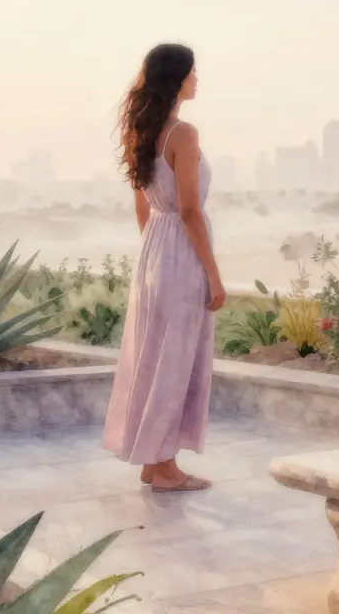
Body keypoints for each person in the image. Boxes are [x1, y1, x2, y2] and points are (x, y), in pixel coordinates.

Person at [101, 43, 226, 493]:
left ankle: (153, 461)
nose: (198, 80)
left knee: (152, 356)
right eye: (193, 72)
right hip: (180, 251)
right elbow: (190, 211)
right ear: (177, 79)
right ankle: (166, 467)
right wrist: (212, 274)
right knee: (175, 360)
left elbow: (142, 207)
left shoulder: (142, 131)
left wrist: (157, 255)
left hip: (154, 251)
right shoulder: (183, 134)